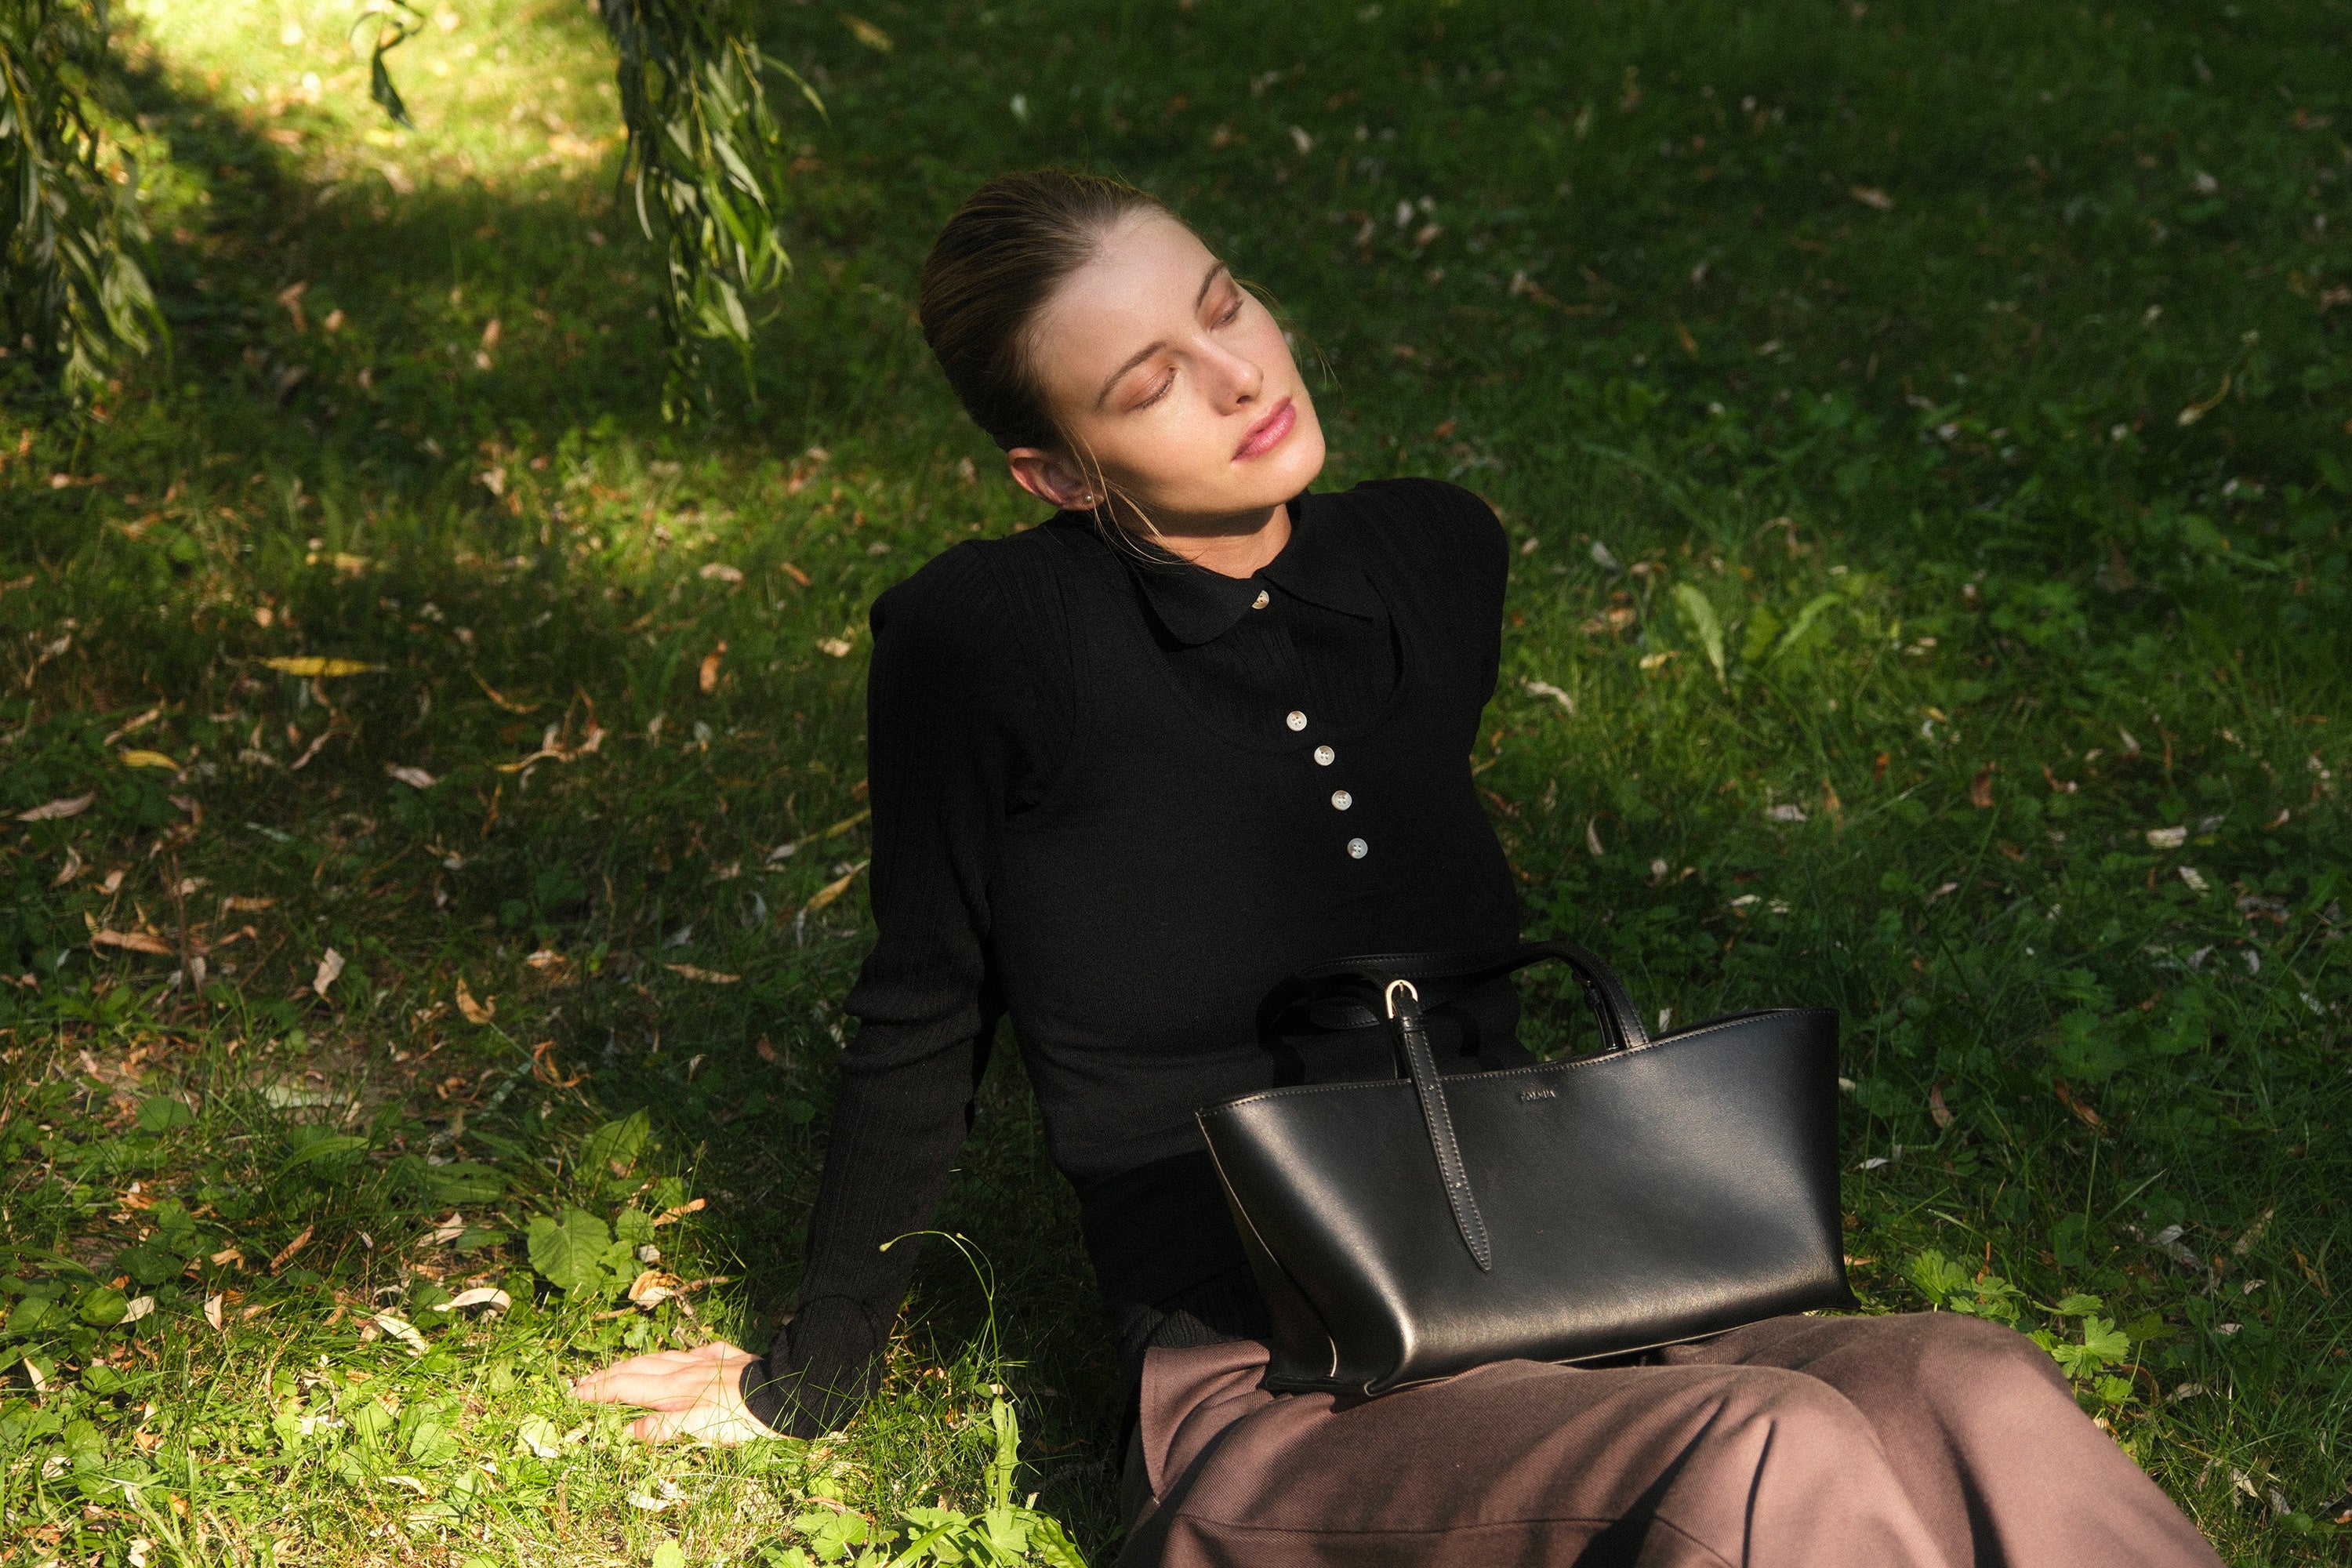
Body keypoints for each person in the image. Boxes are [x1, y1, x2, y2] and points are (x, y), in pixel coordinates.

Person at [570, 169, 2224, 1567]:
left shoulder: (1433, 558)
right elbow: (925, 1009)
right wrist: (810, 1376)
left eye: (1224, 306)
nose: (1239, 377)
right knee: (1764, 1450)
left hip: (1583, 1277)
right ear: (1062, 474)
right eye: (1147, 384)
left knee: (1977, 1386)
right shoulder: (995, 641)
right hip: (1281, 1380)